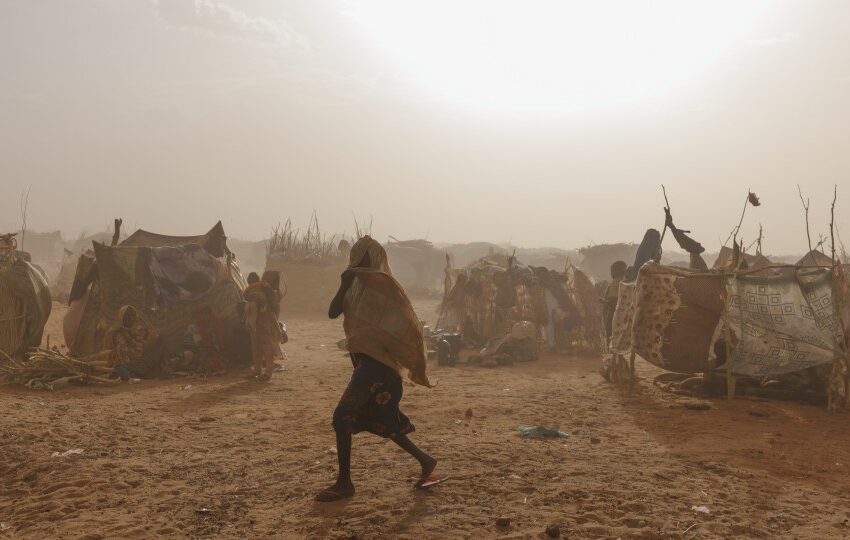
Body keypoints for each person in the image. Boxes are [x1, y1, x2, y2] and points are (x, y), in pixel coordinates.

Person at [317, 236, 445, 502]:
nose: (356, 260)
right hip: (366, 363)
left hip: (378, 366)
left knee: (342, 416)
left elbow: (403, 322)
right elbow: (332, 312)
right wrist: (344, 284)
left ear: (372, 258)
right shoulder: (352, 285)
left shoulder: (383, 286)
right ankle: (425, 461)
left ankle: (344, 483)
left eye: (361, 256)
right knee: (383, 419)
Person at [106, 305, 164, 379]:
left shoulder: (138, 330)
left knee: (159, 342)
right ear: (121, 317)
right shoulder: (114, 332)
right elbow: (110, 352)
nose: (130, 318)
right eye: (127, 315)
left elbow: (153, 337)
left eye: (133, 315)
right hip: (122, 363)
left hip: (138, 362)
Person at [242, 273, 282, 380]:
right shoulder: (265, 289)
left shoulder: (249, 292)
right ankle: (266, 372)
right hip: (264, 322)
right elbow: (275, 307)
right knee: (266, 348)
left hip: (256, 324)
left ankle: (259, 371)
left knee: (257, 348)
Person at [178, 304, 228, 374]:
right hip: (195, 354)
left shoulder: (213, 327)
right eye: (201, 314)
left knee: (213, 362)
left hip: (210, 355)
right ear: (197, 316)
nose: (204, 317)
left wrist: (210, 349)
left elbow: (218, 345)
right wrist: (198, 350)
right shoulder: (192, 328)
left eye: (206, 314)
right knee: (187, 355)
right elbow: (187, 345)